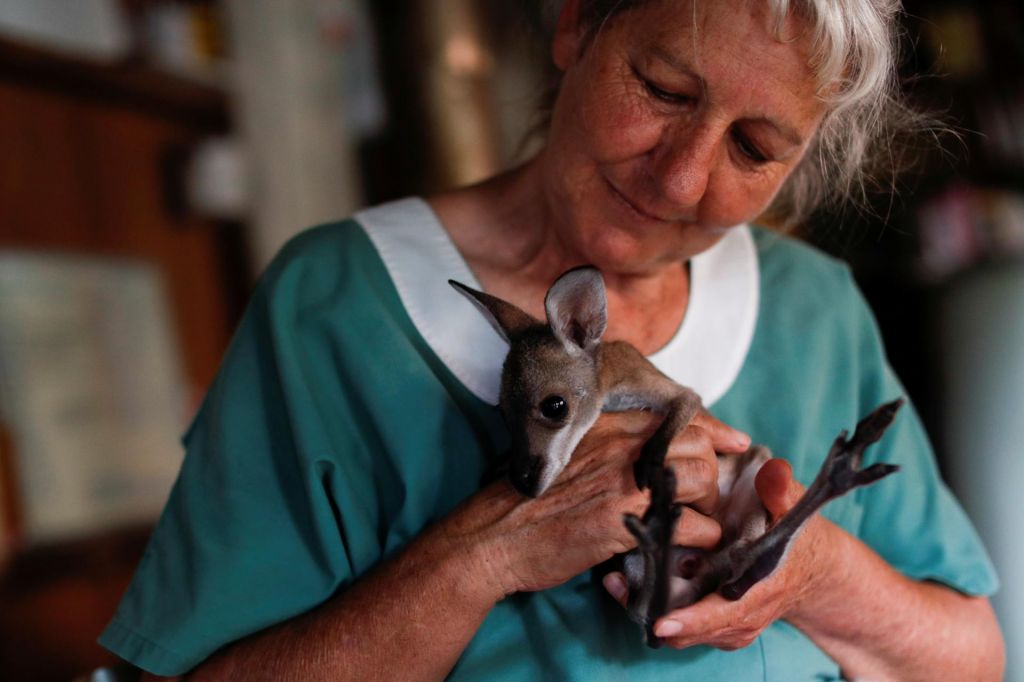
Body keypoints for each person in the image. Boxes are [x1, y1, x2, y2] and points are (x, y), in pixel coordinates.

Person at [100, 0, 1005, 679]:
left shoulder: (816, 311)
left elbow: (971, 659)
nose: (683, 175)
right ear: (576, 23)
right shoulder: (335, 307)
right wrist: (497, 549)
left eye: (756, 148)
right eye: (662, 89)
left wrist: (808, 573)